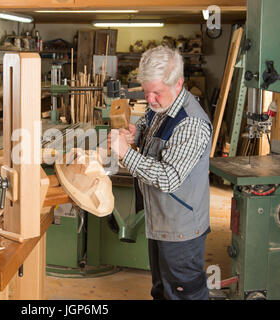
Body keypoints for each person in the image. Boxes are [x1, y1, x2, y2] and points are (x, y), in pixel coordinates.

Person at [109, 45, 213, 300]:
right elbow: (151, 121)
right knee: (161, 290)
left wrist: (126, 153)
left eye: (156, 93)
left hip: (181, 228)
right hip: (160, 220)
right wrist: (137, 132)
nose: (151, 99)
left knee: (183, 293)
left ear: (178, 84)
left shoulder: (192, 123)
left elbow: (169, 178)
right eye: (146, 92)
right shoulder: (163, 107)